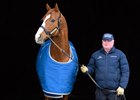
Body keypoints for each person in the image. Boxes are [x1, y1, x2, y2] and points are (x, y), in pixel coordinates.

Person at [81, 33, 130, 100]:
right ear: (102, 42)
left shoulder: (120, 54)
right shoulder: (95, 55)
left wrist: (122, 86)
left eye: (109, 41)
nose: (106, 42)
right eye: (104, 40)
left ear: (113, 41)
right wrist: (86, 70)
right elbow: (91, 68)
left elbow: (125, 72)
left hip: (115, 91)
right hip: (100, 91)